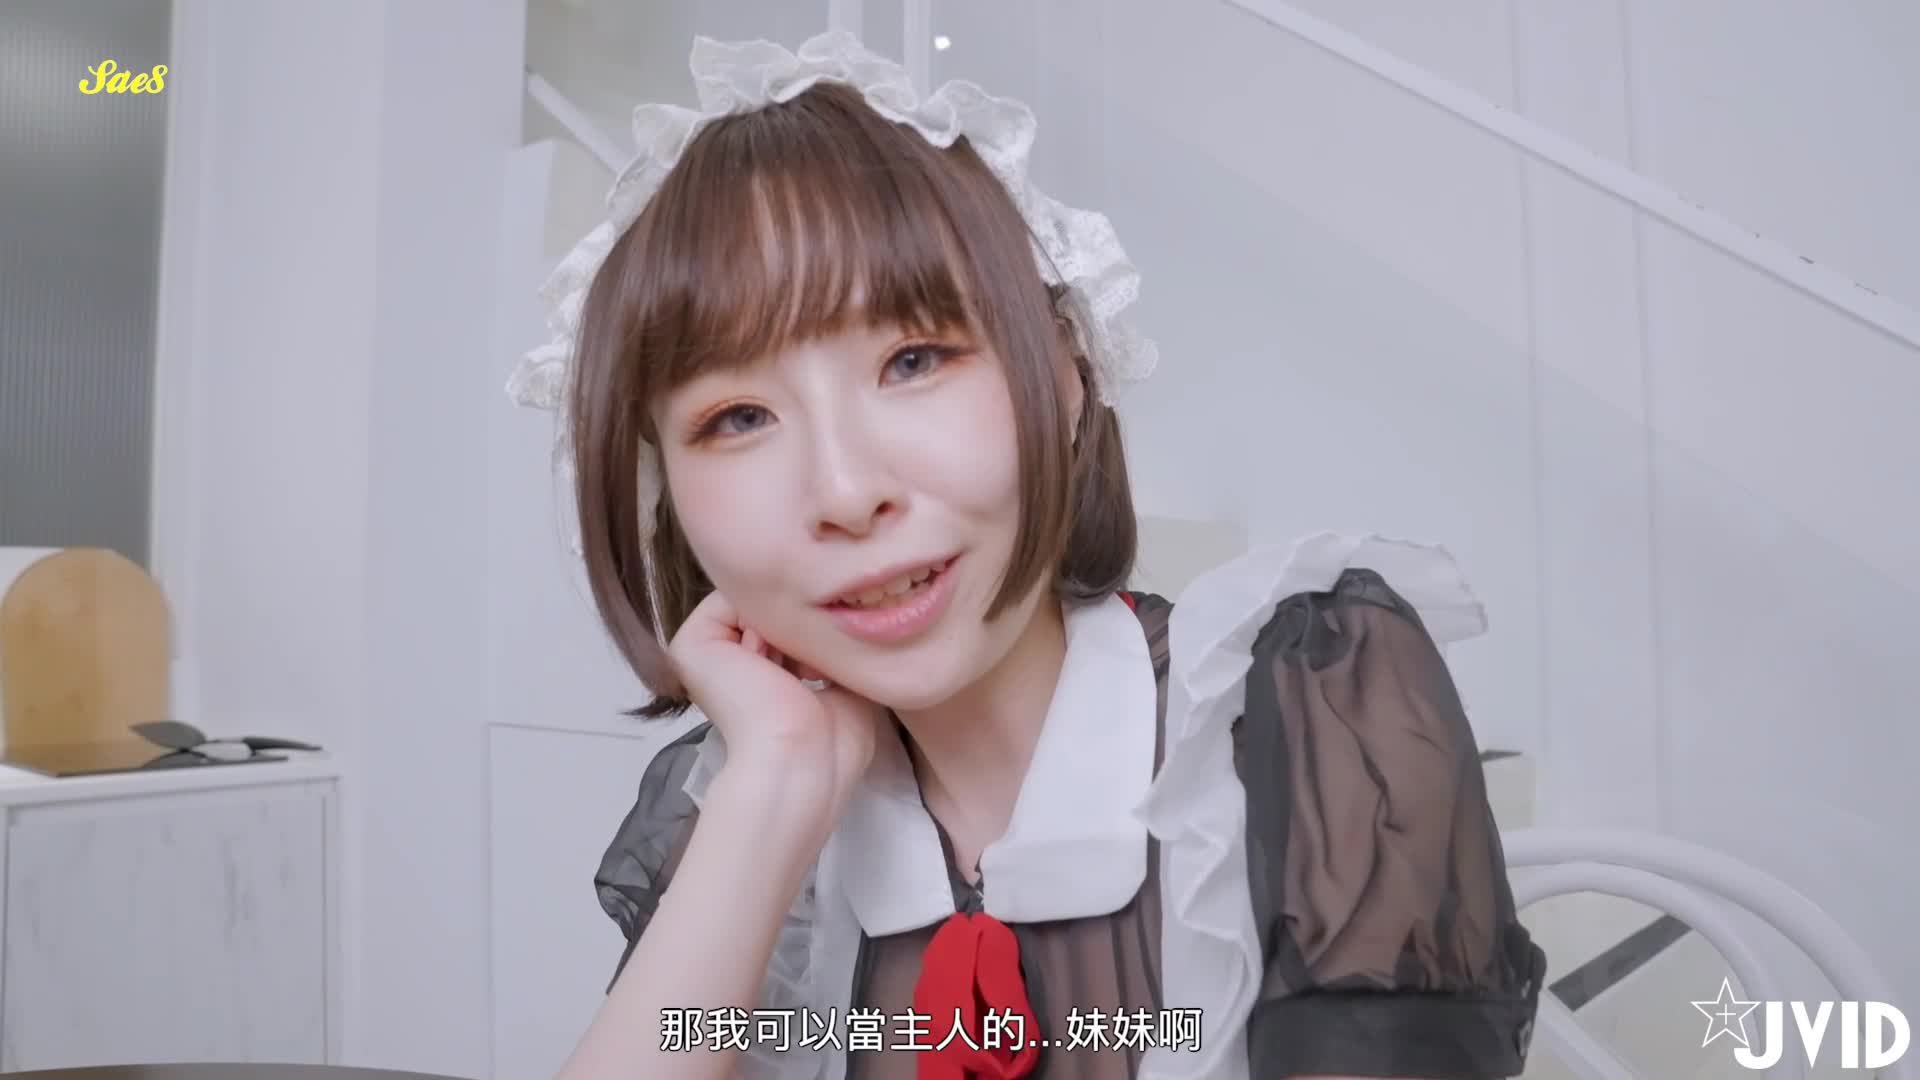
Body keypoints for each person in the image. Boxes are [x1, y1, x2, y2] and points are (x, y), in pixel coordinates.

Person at [509, 31, 1547, 1080]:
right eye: (738, 418)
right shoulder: (748, 799)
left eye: (913, 360)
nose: (845, 492)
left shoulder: (1306, 710)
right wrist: (773, 787)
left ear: (1066, 373)